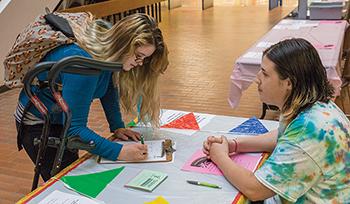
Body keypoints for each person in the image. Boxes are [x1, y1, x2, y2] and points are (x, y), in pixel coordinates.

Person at [15, 13, 169, 181]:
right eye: (138, 56)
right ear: (123, 44)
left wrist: (117, 126)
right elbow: (75, 131)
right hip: (39, 123)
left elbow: (109, 87)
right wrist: (120, 152)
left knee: (75, 174)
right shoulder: (83, 64)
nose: (140, 63)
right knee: (68, 182)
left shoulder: (107, 52)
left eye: (144, 59)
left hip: (61, 117)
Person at [203, 38, 349, 203]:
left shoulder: (308, 132)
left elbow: (254, 189)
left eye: (265, 74)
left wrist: (220, 156)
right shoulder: (314, 106)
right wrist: (234, 145)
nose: (257, 79)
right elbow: (284, 135)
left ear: (288, 83)